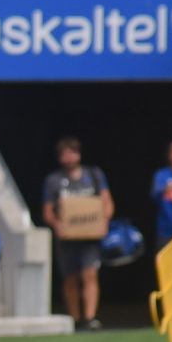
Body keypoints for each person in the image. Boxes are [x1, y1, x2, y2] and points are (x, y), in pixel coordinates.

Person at [41, 137, 114, 330]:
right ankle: (74, 317)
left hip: (90, 237)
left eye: (72, 152)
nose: (69, 157)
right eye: (65, 153)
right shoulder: (54, 181)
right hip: (67, 238)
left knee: (89, 273)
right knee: (70, 277)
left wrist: (104, 222)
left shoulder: (94, 175)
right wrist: (58, 225)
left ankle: (90, 317)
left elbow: (106, 201)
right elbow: (47, 210)